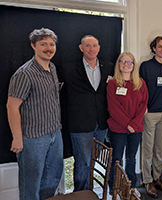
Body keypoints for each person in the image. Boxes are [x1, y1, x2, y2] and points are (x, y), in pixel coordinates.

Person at [7, 28, 63, 200]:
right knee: (30, 185)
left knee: (52, 179)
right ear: (33, 46)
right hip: (33, 138)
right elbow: (11, 106)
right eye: (43, 44)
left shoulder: (52, 67)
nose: (48, 48)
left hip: (55, 133)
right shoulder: (24, 74)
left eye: (51, 44)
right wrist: (17, 138)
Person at [59, 35, 114, 191]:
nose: (91, 49)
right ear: (81, 48)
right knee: (83, 162)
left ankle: (90, 191)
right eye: (87, 46)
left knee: (94, 161)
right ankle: (81, 194)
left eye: (94, 45)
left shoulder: (109, 67)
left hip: (102, 123)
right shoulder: (68, 68)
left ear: (99, 48)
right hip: (80, 123)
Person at [107, 52, 148, 191]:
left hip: (136, 129)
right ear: (118, 64)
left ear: (133, 65)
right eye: (123, 62)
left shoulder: (140, 83)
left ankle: (131, 187)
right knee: (116, 160)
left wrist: (134, 124)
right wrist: (128, 124)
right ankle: (114, 187)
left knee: (131, 159)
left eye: (129, 62)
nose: (126, 65)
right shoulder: (112, 83)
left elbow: (144, 106)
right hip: (118, 129)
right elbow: (113, 108)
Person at [139, 36, 162, 198]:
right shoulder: (146, 66)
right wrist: (144, 109)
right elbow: (140, 88)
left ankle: (157, 177)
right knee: (148, 149)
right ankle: (147, 181)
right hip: (150, 114)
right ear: (154, 48)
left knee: (159, 148)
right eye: (159, 46)